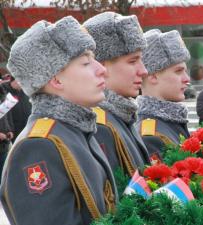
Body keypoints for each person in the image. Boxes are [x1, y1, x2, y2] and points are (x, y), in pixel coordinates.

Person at [0, 16, 118, 225]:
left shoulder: (76, 130)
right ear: (55, 79)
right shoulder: (39, 146)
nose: (102, 69)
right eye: (85, 62)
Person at [83, 12, 150, 179]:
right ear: (102, 65)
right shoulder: (100, 126)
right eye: (132, 61)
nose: (143, 71)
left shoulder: (120, 116)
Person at [135, 29, 191, 159]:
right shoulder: (151, 136)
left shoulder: (169, 123)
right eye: (178, 71)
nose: (186, 79)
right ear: (153, 76)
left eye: (185, 71)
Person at [2, 74, 31, 141]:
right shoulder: (4, 92)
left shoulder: (25, 91)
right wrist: (7, 130)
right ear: (15, 81)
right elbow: (3, 114)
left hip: (27, 128)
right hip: (13, 132)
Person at [0, 83, 14, 184]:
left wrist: (9, 130)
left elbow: (5, 117)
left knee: (3, 176)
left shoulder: (3, 97)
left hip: (4, 145)